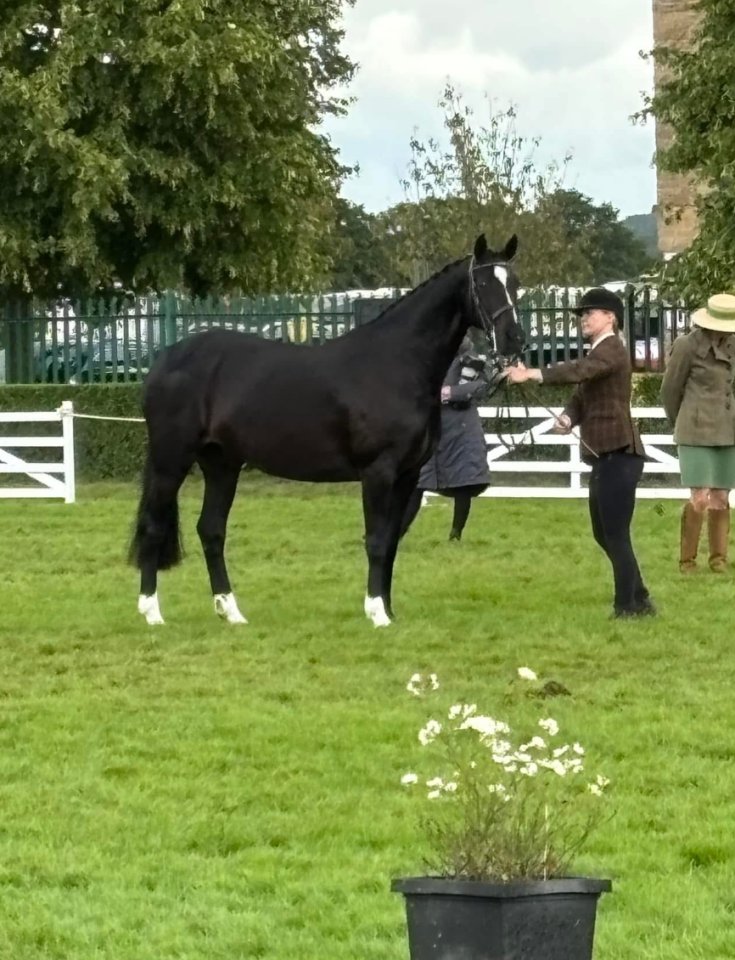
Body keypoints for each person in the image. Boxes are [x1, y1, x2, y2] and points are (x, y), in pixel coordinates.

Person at [505, 287, 654, 619]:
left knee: (615, 534)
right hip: (605, 456)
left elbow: (579, 371)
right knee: (604, 533)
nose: (584, 318)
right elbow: (582, 394)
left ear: (610, 317)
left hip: (620, 454)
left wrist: (532, 373)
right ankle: (639, 598)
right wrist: (569, 417)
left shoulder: (612, 349)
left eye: (590, 313)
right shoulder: (598, 353)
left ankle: (627, 606)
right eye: (582, 314)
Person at [661, 293, 735, 574]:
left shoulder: (733, 344)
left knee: (721, 497)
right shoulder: (686, 346)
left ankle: (718, 560)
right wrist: (681, 421)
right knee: (700, 497)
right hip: (695, 431)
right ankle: (687, 561)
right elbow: (670, 391)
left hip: (728, 430)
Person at [399, 335, 492, 541]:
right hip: (432, 428)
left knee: (463, 483)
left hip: (462, 432)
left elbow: (481, 386)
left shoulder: (471, 360)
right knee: (418, 483)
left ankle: (456, 534)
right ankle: (397, 533)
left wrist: (449, 393)